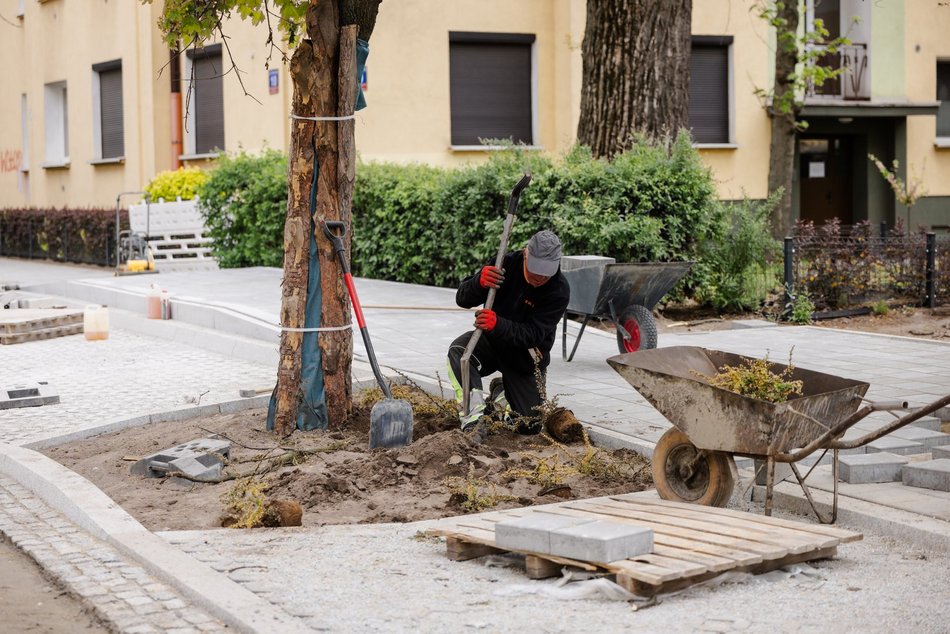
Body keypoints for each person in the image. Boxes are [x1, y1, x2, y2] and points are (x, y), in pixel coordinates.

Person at [447, 230, 570, 434]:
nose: (540, 277)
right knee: (460, 351)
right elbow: (462, 299)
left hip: (526, 355)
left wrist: (498, 324)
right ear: (525, 254)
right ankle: (473, 419)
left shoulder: (559, 290)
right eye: (536, 268)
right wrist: (479, 283)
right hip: (492, 343)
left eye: (546, 271)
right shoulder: (504, 264)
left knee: (528, 425)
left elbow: (533, 334)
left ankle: (502, 393)